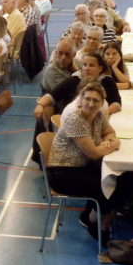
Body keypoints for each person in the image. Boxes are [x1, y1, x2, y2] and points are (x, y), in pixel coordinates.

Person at [46, 81, 123, 242]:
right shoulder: (76, 119)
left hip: (81, 165)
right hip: (62, 172)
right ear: (80, 99)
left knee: (121, 177)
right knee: (104, 184)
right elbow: (94, 153)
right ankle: (94, 223)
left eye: (96, 100)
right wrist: (113, 145)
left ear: (102, 103)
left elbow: (111, 132)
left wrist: (108, 141)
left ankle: (98, 216)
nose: (91, 103)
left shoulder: (98, 115)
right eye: (87, 99)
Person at [34, 53, 122, 121]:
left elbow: (117, 103)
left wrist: (101, 112)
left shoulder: (107, 81)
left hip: (100, 120)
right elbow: (52, 95)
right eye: (84, 65)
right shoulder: (73, 80)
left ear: (100, 68)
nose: (87, 68)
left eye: (91, 65)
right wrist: (40, 105)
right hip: (75, 121)